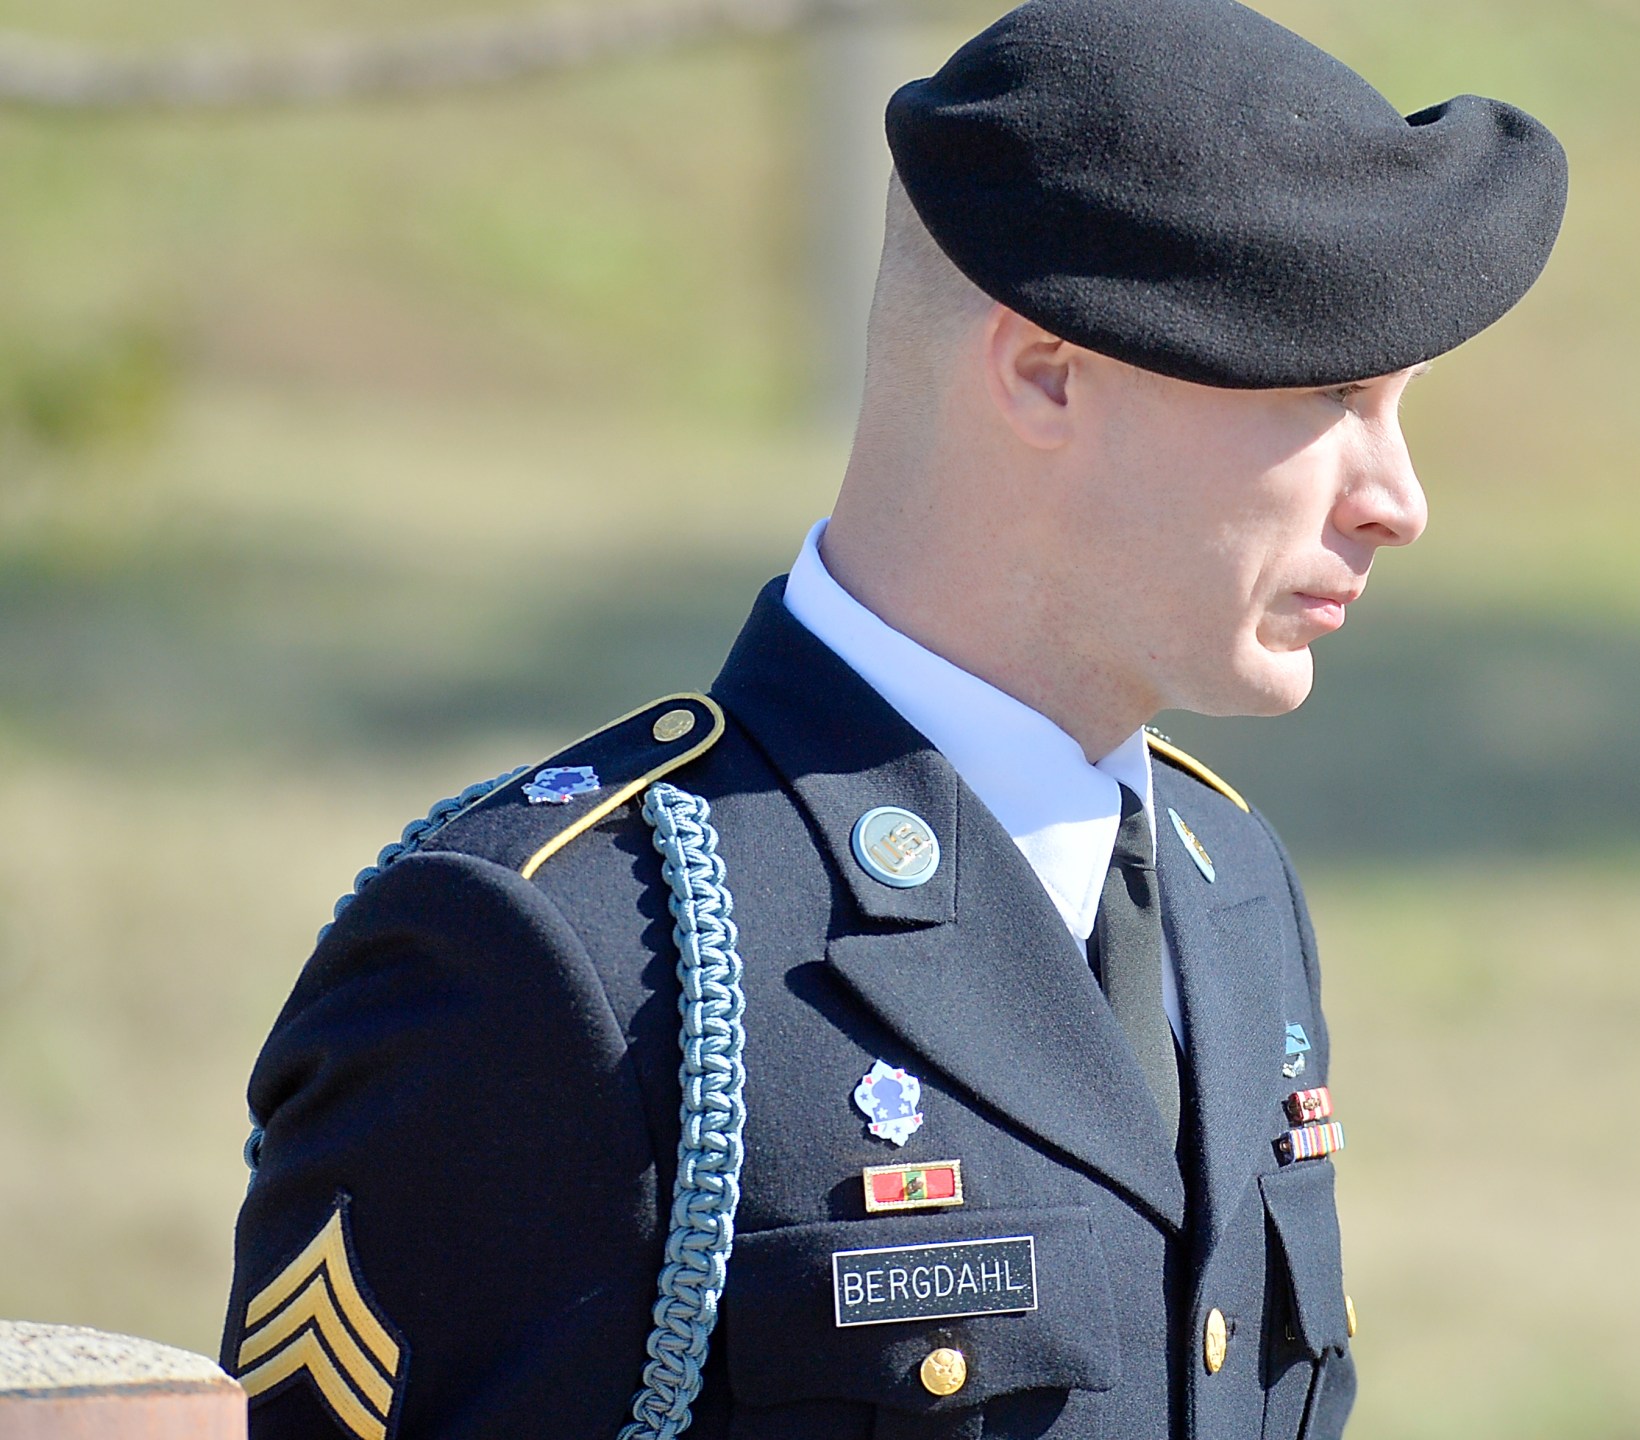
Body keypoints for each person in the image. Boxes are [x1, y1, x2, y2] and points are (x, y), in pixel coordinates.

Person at [217, 0, 1565, 1436]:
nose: (1398, 501)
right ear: (1045, 372)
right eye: (1334, 392)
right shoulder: (568, 954)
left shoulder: (1229, 886)